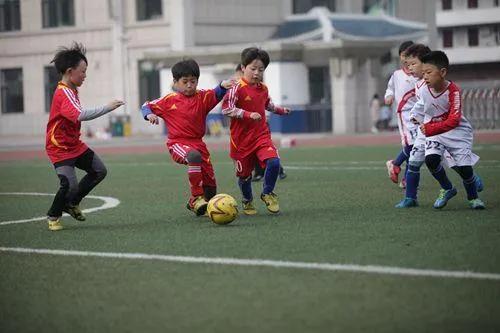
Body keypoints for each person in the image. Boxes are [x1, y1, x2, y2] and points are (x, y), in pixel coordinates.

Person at [45, 42, 124, 231]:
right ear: (70, 71)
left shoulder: (71, 89)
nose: (85, 76)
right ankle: (53, 216)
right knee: (69, 185)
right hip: (60, 148)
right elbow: (80, 114)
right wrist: (108, 107)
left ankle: (71, 204)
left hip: (74, 145)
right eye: (83, 71)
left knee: (99, 171)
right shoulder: (63, 92)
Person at [141, 59, 234, 216]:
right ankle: (196, 197)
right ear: (176, 82)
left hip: (199, 144)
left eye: (193, 81)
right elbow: (146, 105)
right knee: (193, 156)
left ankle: (196, 203)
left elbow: (216, 93)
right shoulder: (168, 100)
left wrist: (223, 85)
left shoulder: (203, 97)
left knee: (211, 190)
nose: (190, 85)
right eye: (185, 82)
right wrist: (149, 114)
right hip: (177, 144)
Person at [395, 45, 483, 208]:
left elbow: (453, 118)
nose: (410, 68)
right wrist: (415, 116)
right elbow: (421, 104)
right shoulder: (421, 86)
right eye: (408, 64)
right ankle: (411, 198)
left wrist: (429, 126)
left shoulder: (450, 89)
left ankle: (472, 187)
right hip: (429, 128)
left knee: (458, 164)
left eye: (413, 64)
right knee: (417, 161)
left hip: (446, 129)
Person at [222, 49, 291, 215]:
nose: (257, 73)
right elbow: (226, 109)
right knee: (244, 176)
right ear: (244, 67)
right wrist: (247, 114)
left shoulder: (263, 88)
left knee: (274, 162)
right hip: (240, 142)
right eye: (253, 69)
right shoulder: (235, 87)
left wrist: (281, 110)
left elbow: (267, 105)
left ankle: (267, 193)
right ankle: (247, 200)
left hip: (261, 136)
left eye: (261, 70)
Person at [233, 63, 287, 183]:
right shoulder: (237, 90)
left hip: (260, 126)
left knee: (264, 151)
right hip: (245, 129)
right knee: (254, 152)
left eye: (238, 76)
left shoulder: (261, 89)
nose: (237, 78)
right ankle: (260, 173)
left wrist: (267, 116)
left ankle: (275, 170)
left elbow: (266, 105)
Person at [384, 40, 417, 188]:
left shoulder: (420, 73)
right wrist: (388, 97)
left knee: (417, 148)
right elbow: (390, 89)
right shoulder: (397, 75)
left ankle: (395, 164)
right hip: (405, 115)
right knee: (411, 146)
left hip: (420, 114)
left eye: (410, 55)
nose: (406, 59)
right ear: (400, 57)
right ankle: (406, 179)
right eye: (404, 55)